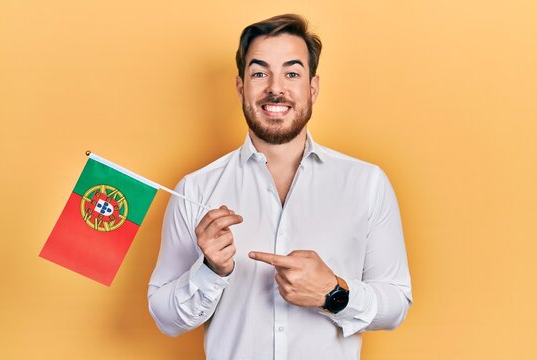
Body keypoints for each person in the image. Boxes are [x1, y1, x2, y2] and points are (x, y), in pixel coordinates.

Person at [148, 14, 412, 360]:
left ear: (312, 87)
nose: (275, 88)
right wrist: (210, 271)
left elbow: (396, 304)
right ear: (241, 86)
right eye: (259, 73)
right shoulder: (196, 190)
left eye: (292, 73)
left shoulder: (366, 183)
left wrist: (333, 293)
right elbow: (165, 318)